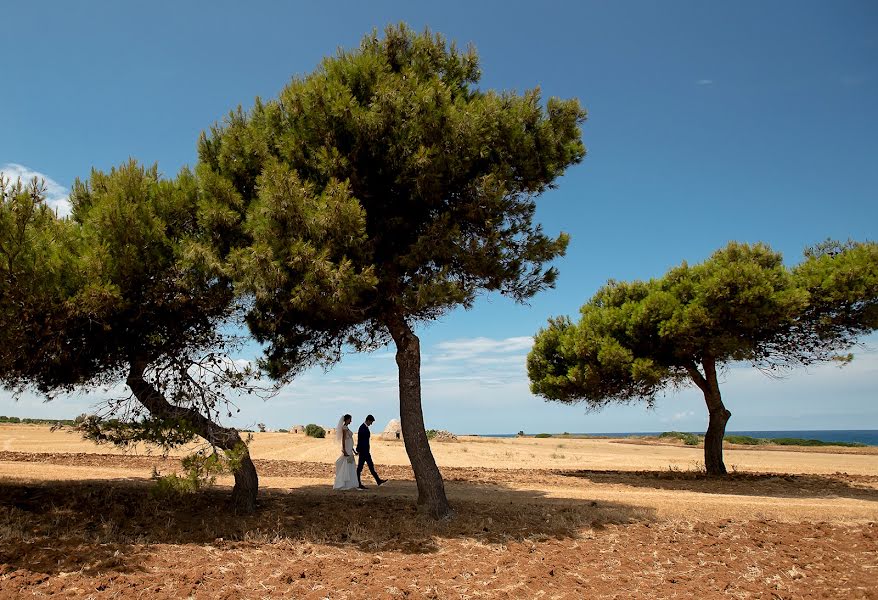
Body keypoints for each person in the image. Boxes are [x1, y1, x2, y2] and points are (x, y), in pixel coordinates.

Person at [356, 414, 387, 489]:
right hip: (363, 452)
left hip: (366, 451)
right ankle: (358, 483)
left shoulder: (364, 427)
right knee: (360, 468)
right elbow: (360, 440)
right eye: (371, 422)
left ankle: (378, 480)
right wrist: (358, 449)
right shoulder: (362, 428)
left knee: (370, 466)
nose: (371, 424)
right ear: (368, 420)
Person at [333, 414, 359, 490]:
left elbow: (350, 440)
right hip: (347, 448)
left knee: (350, 464)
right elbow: (343, 439)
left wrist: (353, 450)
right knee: (347, 464)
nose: (351, 421)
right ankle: (343, 483)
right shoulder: (344, 428)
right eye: (350, 419)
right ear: (347, 419)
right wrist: (344, 449)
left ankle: (350, 483)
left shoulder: (347, 428)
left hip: (349, 447)